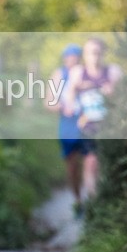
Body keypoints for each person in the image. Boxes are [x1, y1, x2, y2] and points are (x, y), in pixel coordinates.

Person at [62, 38, 122, 203]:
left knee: (108, 164)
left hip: (111, 126)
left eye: (97, 52)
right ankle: (93, 202)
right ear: (85, 55)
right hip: (88, 125)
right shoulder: (78, 72)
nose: (94, 56)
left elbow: (125, 94)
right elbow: (70, 93)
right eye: (89, 53)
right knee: (91, 161)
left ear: (103, 53)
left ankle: (110, 201)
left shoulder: (113, 71)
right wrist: (70, 105)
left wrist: (113, 92)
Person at [45, 44, 87, 213]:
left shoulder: (87, 73)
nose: (72, 60)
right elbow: (49, 103)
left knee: (91, 160)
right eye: (69, 57)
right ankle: (77, 199)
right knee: (72, 165)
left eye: (75, 57)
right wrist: (62, 107)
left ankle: (94, 198)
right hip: (68, 125)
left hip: (88, 124)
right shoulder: (58, 75)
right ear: (65, 59)